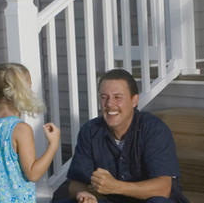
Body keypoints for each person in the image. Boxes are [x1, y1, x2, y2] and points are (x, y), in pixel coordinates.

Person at [54, 70, 187, 203]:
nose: (109, 104)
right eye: (104, 97)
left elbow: (163, 189)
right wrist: (84, 195)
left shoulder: (153, 129)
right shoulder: (90, 130)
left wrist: (115, 186)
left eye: (118, 97)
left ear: (134, 100)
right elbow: (76, 183)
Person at [0, 63, 61, 203]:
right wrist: (53, 145)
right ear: (20, 93)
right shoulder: (21, 129)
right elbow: (33, 174)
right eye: (29, 87)